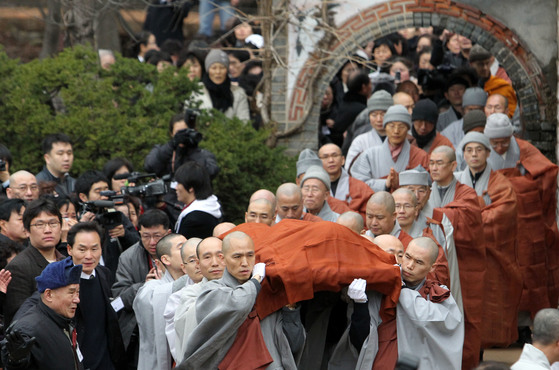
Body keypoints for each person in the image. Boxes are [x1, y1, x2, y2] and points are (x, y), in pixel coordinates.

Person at [179, 231, 305, 369]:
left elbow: (293, 345)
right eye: (237, 257)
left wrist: (290, 306)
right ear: (223, 258)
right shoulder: (212, 291)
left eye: (250, 256)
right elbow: (238, 304)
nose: (244, 263)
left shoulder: (268, 292)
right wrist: (255, 280)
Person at [484, 113, 559, 318]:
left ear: (512, 137)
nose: (499, 148)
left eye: (504, 142)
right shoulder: (479, 150)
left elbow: (547, 173)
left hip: (527, 221)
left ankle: (527, 324)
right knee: (499, 274)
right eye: (494, 143)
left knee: (530, 271)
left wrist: (521, 186)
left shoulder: (524, 149)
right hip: (496, 222)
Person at [455, 131, 522, 347]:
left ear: (487, 153)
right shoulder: (455, 180)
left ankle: (486, 348)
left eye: (479, 150)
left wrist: (470, 220)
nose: (474, 155)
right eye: (469, 150)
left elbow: (504, 212)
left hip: (491, 255)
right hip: (461, 255)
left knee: (491, 302)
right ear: (463, 154)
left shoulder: (500, 183)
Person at [428, 145, 485, 369]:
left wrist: (429, 213)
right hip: (432, 265)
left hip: (462, 265)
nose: (433, 167)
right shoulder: (424, 191)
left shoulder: (466, 193)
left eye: (439, 163)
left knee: (465, 316)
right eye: (431, 163)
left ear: (453, 166)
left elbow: (468, 219)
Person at [111, 209, 171, 367]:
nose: (152, 242)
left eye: (157, 236)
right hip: (139, 329)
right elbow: (119, 299)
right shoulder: (128, 257)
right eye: (145, 236)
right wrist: (144, 287)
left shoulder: (179, 254)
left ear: (168, 232)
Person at [1, 257, 83, 369]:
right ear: (48, 295)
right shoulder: (27, 330)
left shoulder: (62, 319)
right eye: (71, 293)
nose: (77, 299)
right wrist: (16, 361)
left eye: (77, 292)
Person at [67, 222, 125, 370]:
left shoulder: (103, 273)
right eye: (82, 249)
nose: (89, 256)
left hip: (107, 359)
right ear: (70, 249)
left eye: (94, 249)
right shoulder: (62, 281)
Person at [4, 198, 65, 326]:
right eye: (39, 224)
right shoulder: (19, 267)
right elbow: (19, 317)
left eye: (53, 223)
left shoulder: (65, 262)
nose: (48, 230)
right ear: (26, 231)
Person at [133, 233, 186, 370]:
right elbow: (145, 299)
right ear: (165, 259)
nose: (188, 250)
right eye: (181, 247)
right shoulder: (152, 289)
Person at [351, 105, 429, 192]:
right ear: (385, 127)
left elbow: (426, 187)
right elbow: (357, 184)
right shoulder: (369, 155)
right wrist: (385, 183)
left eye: (401, 126)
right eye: (391, 126)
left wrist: (400, 182)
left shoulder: (420, 156)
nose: (396, 131)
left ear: (408, 129)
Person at [75, 170, 139, 276]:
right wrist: (81, 226)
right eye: (98, 191)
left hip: (115, 277)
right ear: (83, 197)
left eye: (106, 190)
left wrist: (124, 234)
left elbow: (137, 245)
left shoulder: (116, 216)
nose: (104, 196)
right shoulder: (78, 220)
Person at [172, 236, 225, 363]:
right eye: (207, 257)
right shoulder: (189, 294)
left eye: (220, 255)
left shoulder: (243, 288)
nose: (215, 262)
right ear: (198, 263)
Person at [144, 112, 219, 180]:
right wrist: (171, 145)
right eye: (178, 132)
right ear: (171, 134)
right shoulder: (160, 150)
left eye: (185, 131)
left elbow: (210, 173)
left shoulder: (204, 155)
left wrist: (193, 150)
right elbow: (150, 166)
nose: (182, 136)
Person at [319, 144, 373, 220]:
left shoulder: (359, 187)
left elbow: (370, 216)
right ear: (319, 162)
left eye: (335, 155)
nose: (331, 160)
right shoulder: (315, 188)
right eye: (325, 157)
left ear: (343, 160)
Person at [194, 49, 250, 121]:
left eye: (222, 68)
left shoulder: (238, 93)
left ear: (227, 70)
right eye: (214, 68)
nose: (218, 72)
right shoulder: (196, 91)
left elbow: (244, 120)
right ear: (208, 70)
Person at [344, 90, 394, 169]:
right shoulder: (360, 141)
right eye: (374, 115)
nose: (378, 119)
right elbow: (350, 169)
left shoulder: (402, 138)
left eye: (383, 114)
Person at [174, 162, 222, 239]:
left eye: (179, 183)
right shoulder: (209, 207)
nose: (176, 188)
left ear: (190, 188)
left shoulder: (195, 220)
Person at [469, 45, 517, 118]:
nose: (485, 68)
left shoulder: (503, 87)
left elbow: (512, 115)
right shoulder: (466, 85)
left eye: (487, 63)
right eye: (480, 64)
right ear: (471, 64)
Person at [330, 71, 373, 147]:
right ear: (364, 87)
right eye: (370, 83)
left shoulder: (342, 102)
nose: (371, 86)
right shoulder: (361, 111)